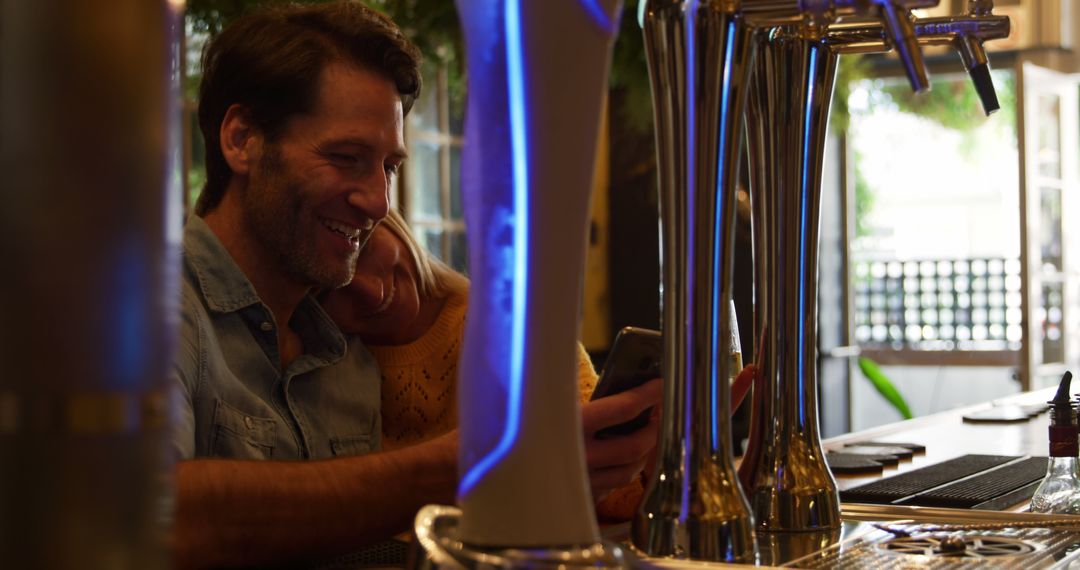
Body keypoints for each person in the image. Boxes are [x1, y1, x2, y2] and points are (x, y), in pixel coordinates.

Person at [171, 3, 661, 567]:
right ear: (242, 139)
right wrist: (471, 461)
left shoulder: (351, 346)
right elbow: (149, 518)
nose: (379, 202)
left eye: (389, 168)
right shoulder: (152, 312)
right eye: (347, 157)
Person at [319, 210, 650, 516]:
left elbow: (621, 495)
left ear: (390, 221)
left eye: (363, 250)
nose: (373, 292)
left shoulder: (512, 327)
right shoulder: (320, 365)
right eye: (331, 288)